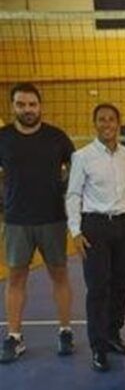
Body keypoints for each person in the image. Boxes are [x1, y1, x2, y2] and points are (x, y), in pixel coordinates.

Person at [0, 82, 76, 363]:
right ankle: (14, 337)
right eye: (21, 104)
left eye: (32, 104)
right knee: (16, 279)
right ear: (13, 107)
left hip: (52, 218)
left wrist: (68, 192)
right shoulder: (3, 137)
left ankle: (65, 330)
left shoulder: (56, 137)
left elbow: (76, 168)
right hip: (16, 220)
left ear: (40, 106)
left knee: (59, 275)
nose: (27, 109)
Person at [65, 103, 125, 371]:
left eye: (111, 119)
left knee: (121, 284)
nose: (107, 124)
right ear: (95, 123)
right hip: (95, 226)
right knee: (97, 287)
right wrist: (75, 231)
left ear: (118, 123)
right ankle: (98, 346)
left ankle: (113, 334)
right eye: (101, 119)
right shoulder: (82, 156)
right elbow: (73, 194)